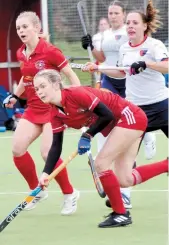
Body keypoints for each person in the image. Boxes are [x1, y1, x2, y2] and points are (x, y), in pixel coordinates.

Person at [33, 69, 168, 228]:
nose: (39, 92)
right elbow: (56, 146)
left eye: (43, 86)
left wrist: (88, 135)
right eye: (36, 89)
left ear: (56, 84)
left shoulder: (75, 94)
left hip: (129, 116)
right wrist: (45, 174)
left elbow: (107, 115)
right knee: (125, 180)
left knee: (101, 164)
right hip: (120, 125)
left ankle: (120, 214)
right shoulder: (54, 113)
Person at [82, 0, 168, 208]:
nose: (130, 26)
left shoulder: (154, 45)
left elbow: (167, 67)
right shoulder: (123, 49)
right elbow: (121, 72)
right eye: (128, 23)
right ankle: (127, 194)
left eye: (134, 23)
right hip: (137, 113)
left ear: (145, 26)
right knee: (124, 172)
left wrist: (147, 63)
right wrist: (98, 68)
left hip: (162, 106)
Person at [3, 11, 80, 214]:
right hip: (33, 109)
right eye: (19, 28)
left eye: (25, 27)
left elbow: (72, 77)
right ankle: (36, 192)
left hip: (53, 109)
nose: (21, 31)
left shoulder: (51, 51)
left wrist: (77, 101)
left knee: (47, 154)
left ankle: (70, 194)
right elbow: (26, 78)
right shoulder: (22, 53)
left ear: (36, 28)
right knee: (17, 149)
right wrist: (14, 96)